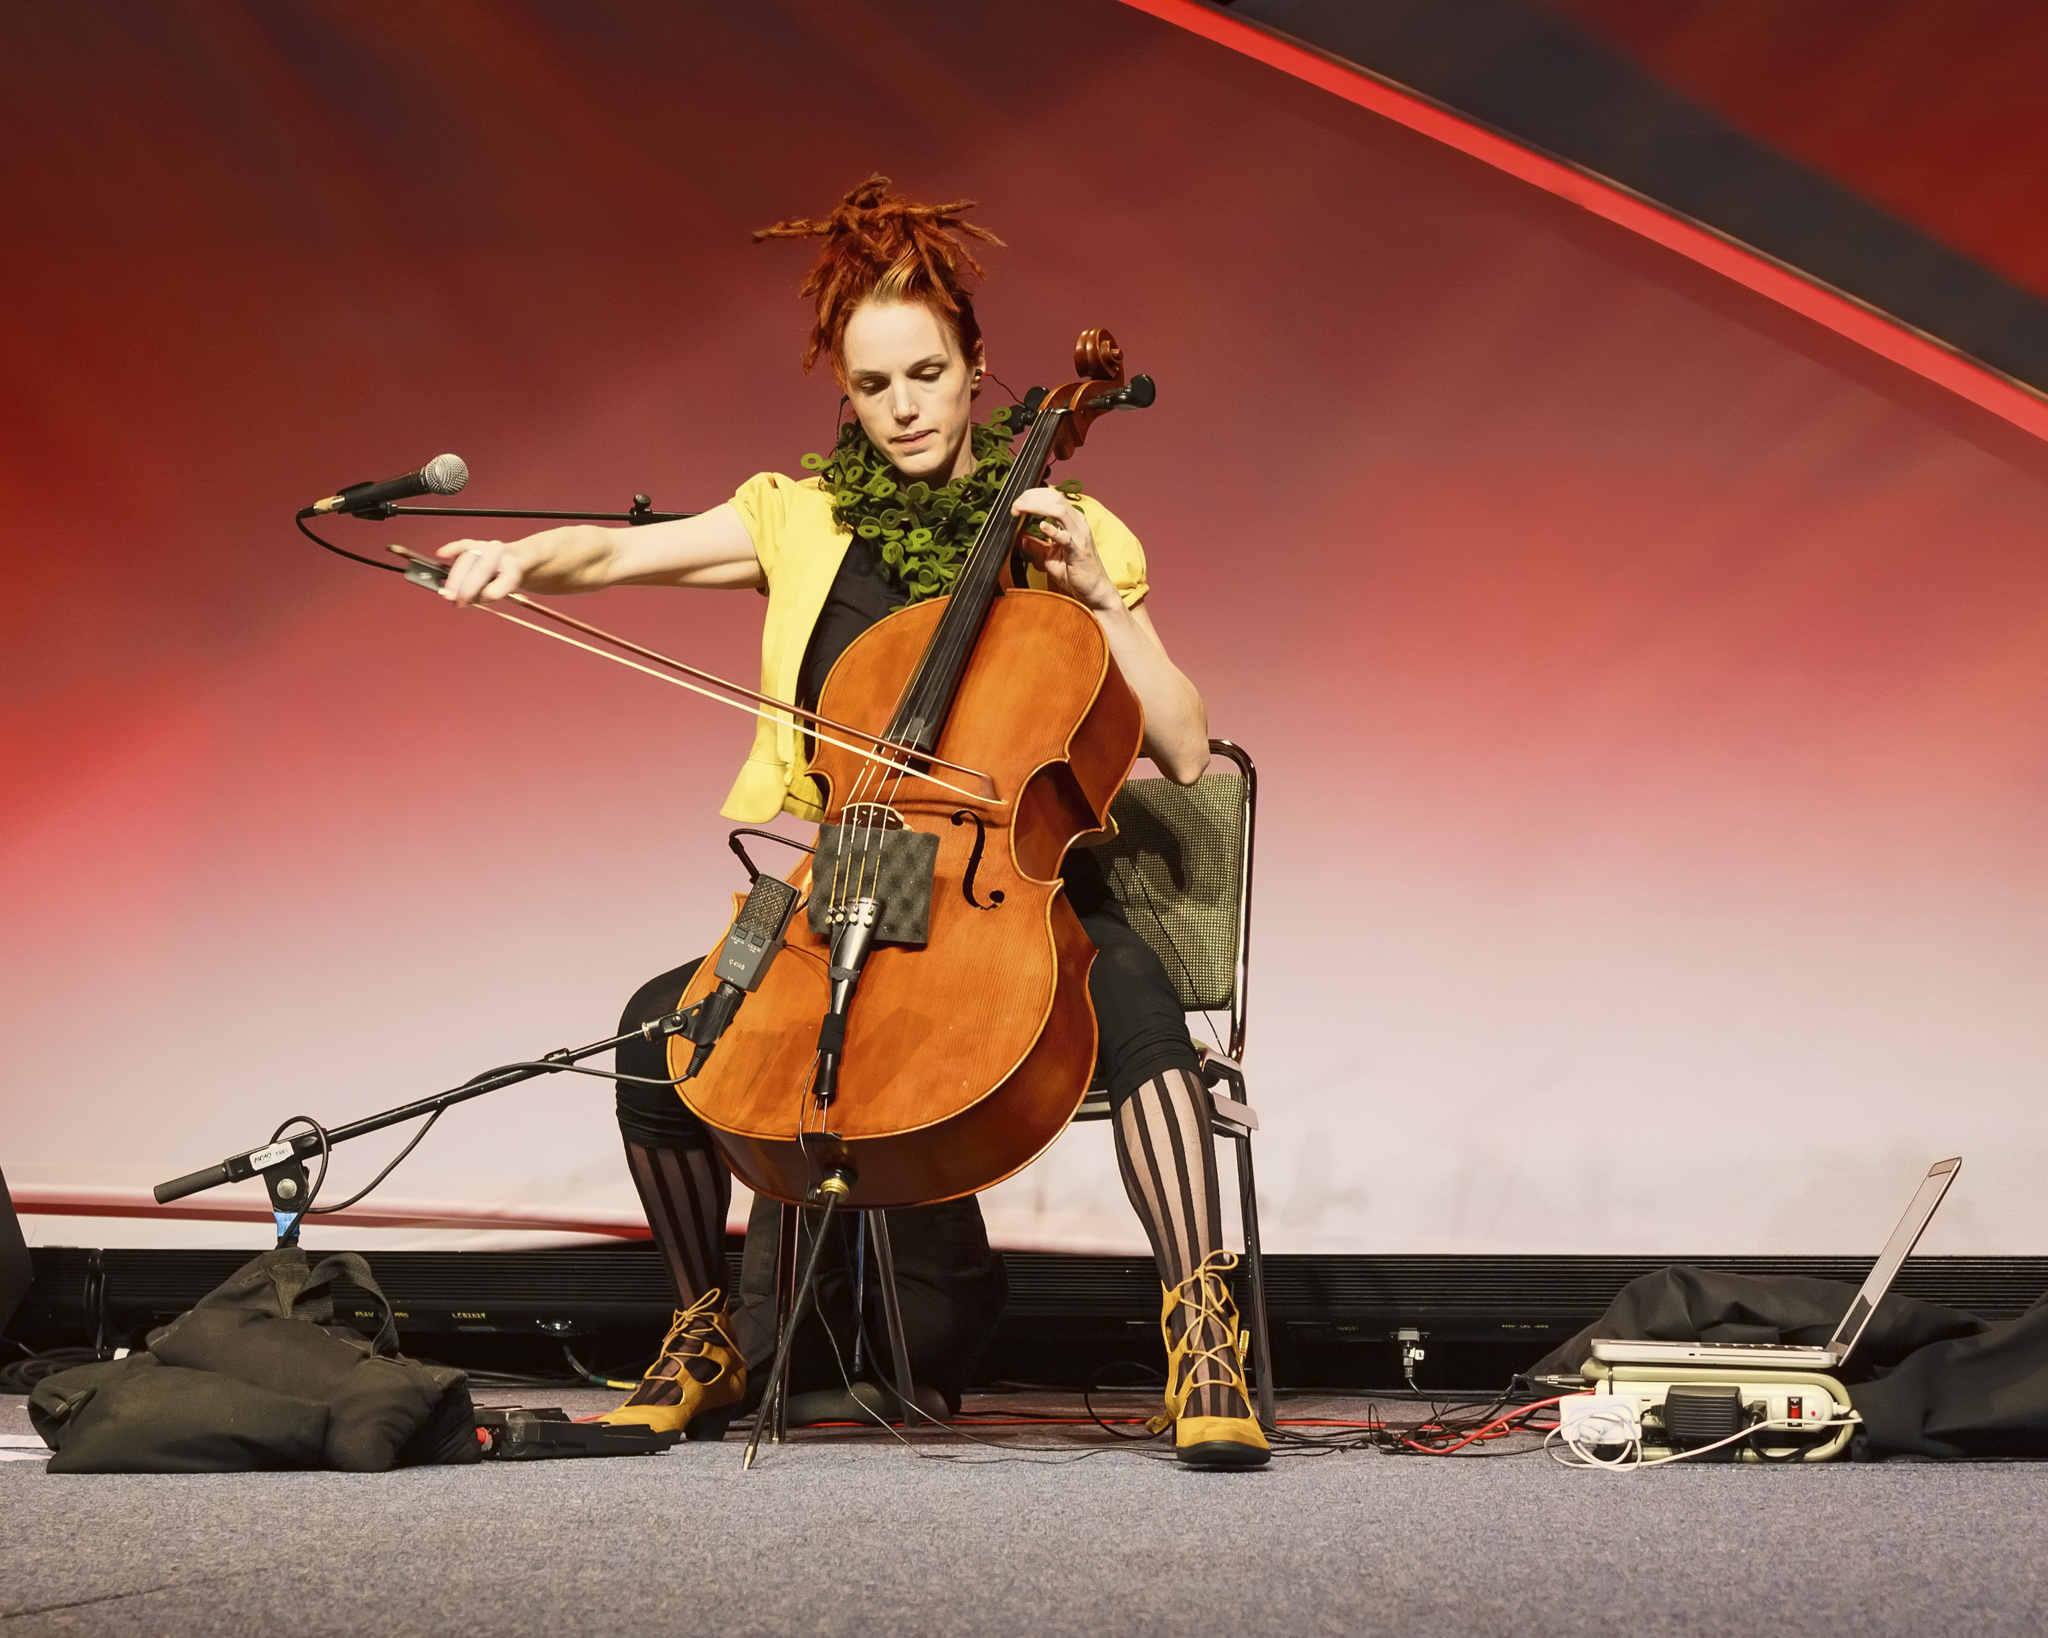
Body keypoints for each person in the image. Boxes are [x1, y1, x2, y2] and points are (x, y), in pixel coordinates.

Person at [433, 176, 1266, 1469]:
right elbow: (605, 556)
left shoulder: (1070, 530)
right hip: (845, 885)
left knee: (1143, 1006)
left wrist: (1101, 595)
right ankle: (706, 1327)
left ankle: (1198, 1327)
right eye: (877, 386)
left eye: (929, 372)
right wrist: (515, 562)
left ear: (980, 367)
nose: (908, 405)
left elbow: (1182, 743)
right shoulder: (801, 517)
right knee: (666, 1030)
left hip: (1022, 892)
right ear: (847, 395)